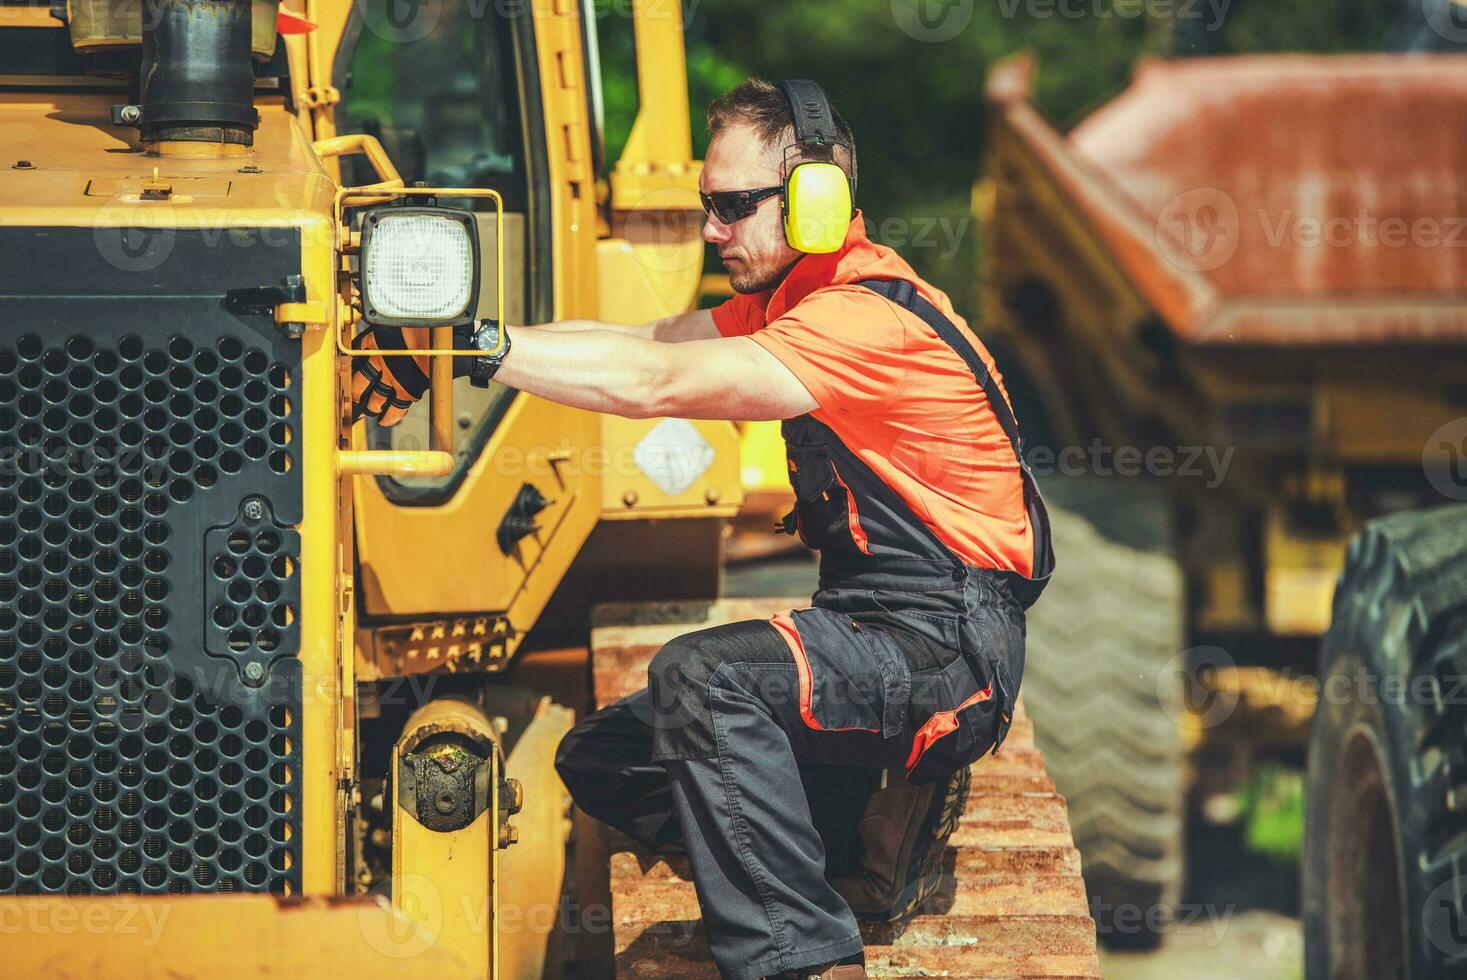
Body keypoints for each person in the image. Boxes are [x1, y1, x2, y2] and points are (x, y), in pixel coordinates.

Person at [354, 77, 1053, 980]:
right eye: (705, 207)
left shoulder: (860, 317)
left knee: (703, 678)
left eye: (730, 207)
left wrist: (475, 353)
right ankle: (854, 836)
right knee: (603, 756)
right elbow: (645, 342)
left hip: (941, 649)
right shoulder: (793, 300)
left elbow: (652, 388)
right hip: (877, 638)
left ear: (815, 203)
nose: (711, 231)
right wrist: (451, 335)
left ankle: (794, 955)